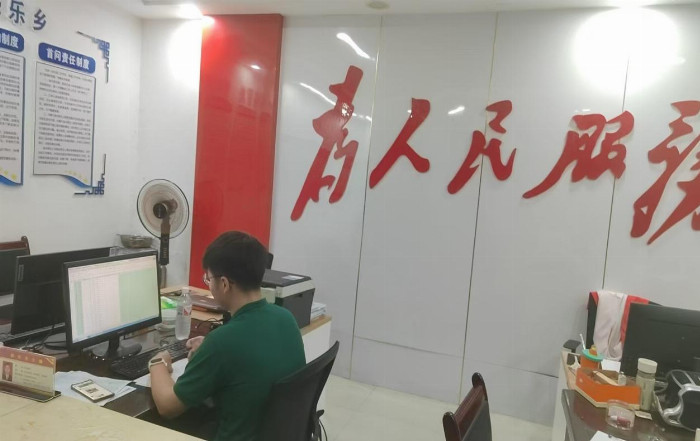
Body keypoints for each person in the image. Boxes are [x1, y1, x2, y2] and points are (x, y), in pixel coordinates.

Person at [148, 231, 305, 441]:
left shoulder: (222, 342)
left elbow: (167, 407)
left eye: (208, 278)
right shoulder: (286, 318)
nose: (208, 284)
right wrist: (209, 349)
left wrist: (158, 362)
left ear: (224, 283)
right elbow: (248, 355)